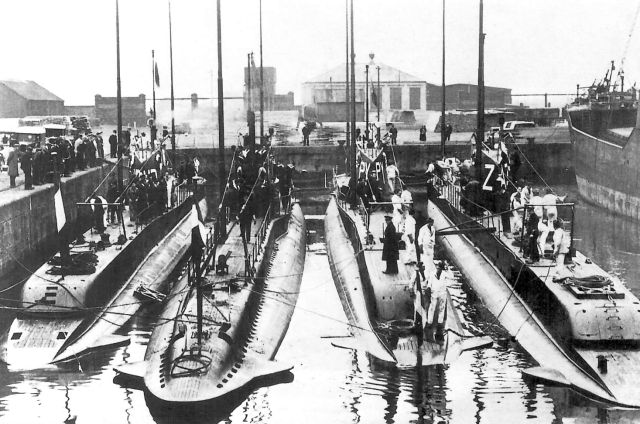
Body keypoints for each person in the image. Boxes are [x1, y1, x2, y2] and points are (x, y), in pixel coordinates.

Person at [425, 261, 447, 343]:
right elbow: (429, 284)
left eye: (439, 268)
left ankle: (440, 326)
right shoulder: (432, 274)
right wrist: (428, 289)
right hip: (434, 293)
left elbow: (449, 279)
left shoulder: (444, 275)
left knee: (441, 309)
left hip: (442, 293)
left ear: (442, 268)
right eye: (437, 267)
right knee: (432, 308)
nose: (438, 269)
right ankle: (429, 324)